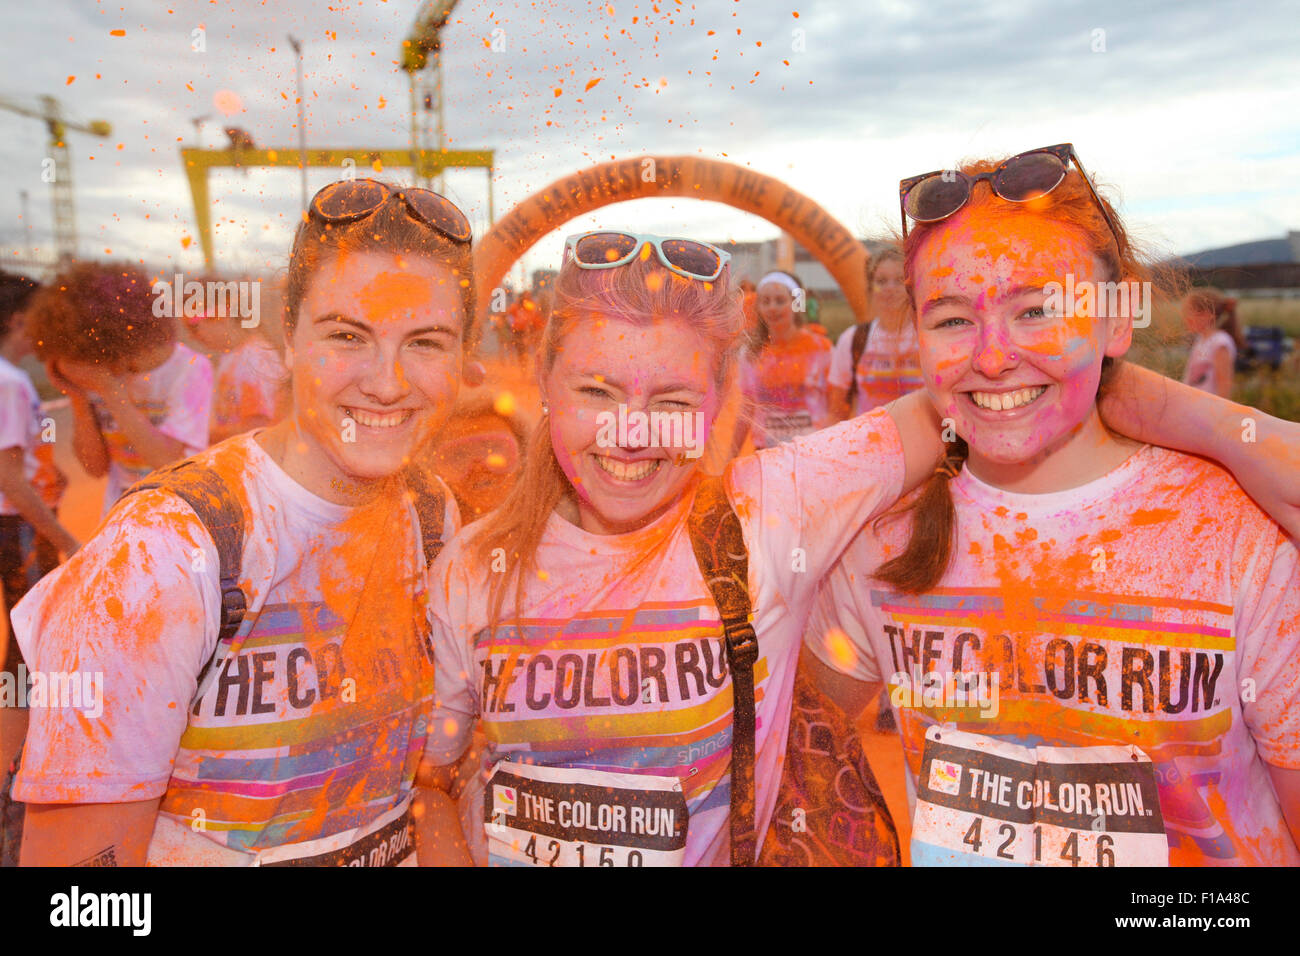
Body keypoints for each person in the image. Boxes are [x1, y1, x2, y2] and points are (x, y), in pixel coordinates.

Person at [417, 228, 1290, 867]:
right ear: (543, 384)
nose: (630, 434)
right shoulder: (472, 568)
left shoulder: (776, 512)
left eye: (674, 400)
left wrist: (1136, 384)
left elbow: (976, 385)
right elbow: (429, 781)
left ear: (726, 401)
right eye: (596, 389)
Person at [805, 144, 1300, 866]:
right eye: (950, 320)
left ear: (1115, 323)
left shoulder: (1237, 533)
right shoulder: (884, 538)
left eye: (1036, 310)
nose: (994, 356)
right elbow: (801, 750)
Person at [14, 179, 474, 866]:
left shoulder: (433, 512)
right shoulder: (160, 554)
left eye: (427, 342)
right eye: (346, 335)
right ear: (286, 338)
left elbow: (419, 792)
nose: (386, 382)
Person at [28, 263, 214, 514]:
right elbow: (94, 467)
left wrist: (109, 390)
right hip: (123, 512)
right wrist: (78, 396)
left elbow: (167, 460)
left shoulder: (190, 369)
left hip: (176, 512)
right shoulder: (97, 367)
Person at [0, 273, 77, 800]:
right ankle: (16, 766)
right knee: (28, 648)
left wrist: (48, 471)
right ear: (19, 321)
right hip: (19, 527)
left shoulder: (14, 379)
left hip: (19, 522)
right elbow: (8, 479)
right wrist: (65, 538)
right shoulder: (10, 380)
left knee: (21, 646)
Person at [828, 246, 923, 422]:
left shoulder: (928, 337)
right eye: (881, 281)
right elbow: (836, 410)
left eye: (899, 280)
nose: (890, 288)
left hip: (926, 446)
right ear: (871, 288)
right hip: (869, 445)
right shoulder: (852, 339)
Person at [740, 270, 833, 448]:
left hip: (814, 452)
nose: (772, 307)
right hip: (766, 453)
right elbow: (746, 410)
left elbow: (837, 406)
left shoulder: (821, 349)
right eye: (765, 302)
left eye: (780, 301)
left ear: (796, 303)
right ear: (758, 307)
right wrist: (730, 457)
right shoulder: (751, 354)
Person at [186, 294, 289, 445]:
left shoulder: (254, 357)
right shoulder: (234, 357)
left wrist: (199, 436)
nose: (193, 337)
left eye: (194, 326)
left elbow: (260, 427)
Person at [1182, 287, 1242, 398]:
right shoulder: (1201, 339)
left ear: (1208, 315)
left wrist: (1220, 414)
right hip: (1195, 407)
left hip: (1209, 411)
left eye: (1190, 313)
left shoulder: (1220, 342)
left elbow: (1224, 385)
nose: (1186, 318)